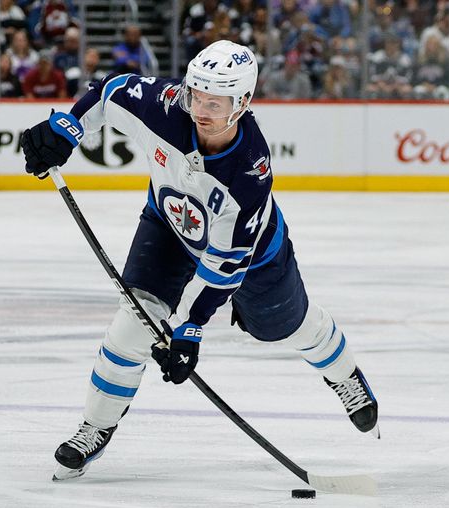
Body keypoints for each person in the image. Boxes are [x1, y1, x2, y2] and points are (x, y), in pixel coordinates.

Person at [20, 39, 379, 480]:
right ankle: (94, 427)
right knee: (131, 326)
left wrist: (189, 329)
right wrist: (65, 128)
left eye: (215, 101)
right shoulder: (166, 107)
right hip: (169, 229)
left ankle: (346, 375)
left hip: (253, 258)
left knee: (288, 325)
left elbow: (223, 266)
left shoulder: (249, 169)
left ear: (243, 102)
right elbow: (109, 92)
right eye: (196, 96)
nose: (201, 109)